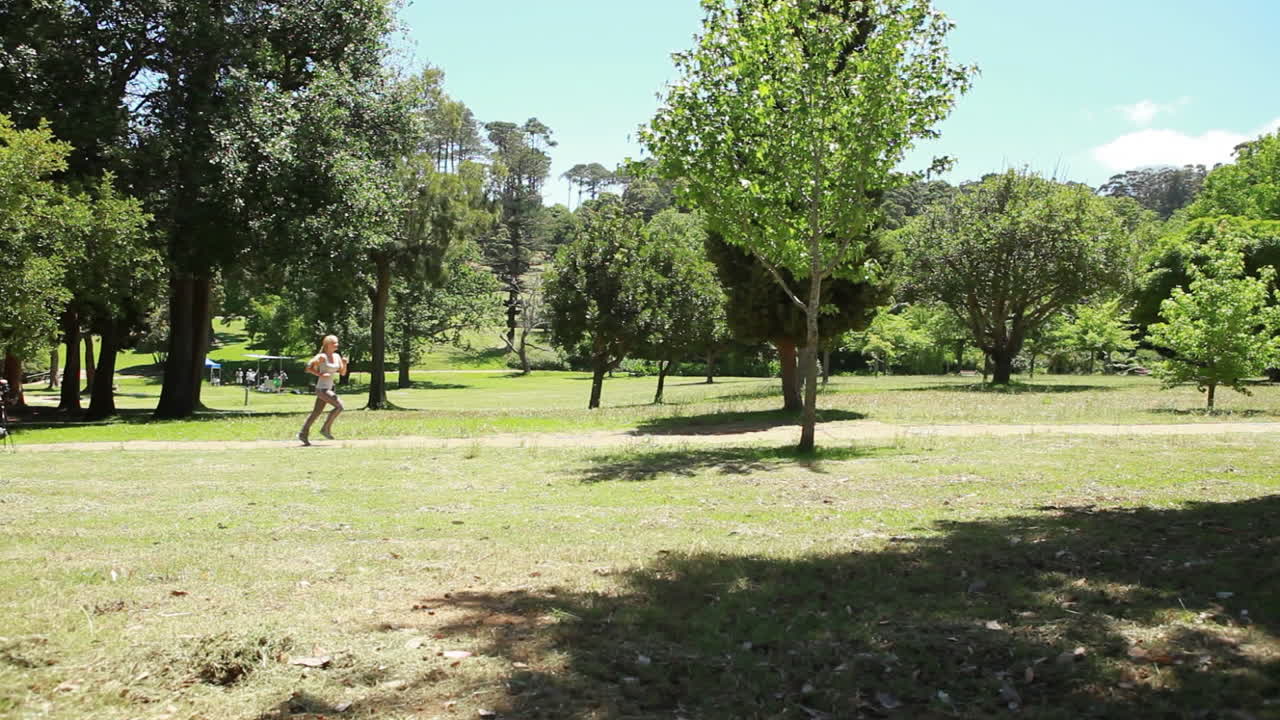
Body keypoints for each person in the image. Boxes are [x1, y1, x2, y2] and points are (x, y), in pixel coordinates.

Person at [298, 334, 348, 445]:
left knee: (316, 412)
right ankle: (325, 428)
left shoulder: (337, 356)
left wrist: (344, 363)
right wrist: (320, 374)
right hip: (322, 389)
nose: (337, 345)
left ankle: (303, 433)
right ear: (327, 344)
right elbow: (308, 367)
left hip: (329, 388)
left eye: (337, 342)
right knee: (340, 406)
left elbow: (343, 373)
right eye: (334, 343)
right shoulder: (322, 356)